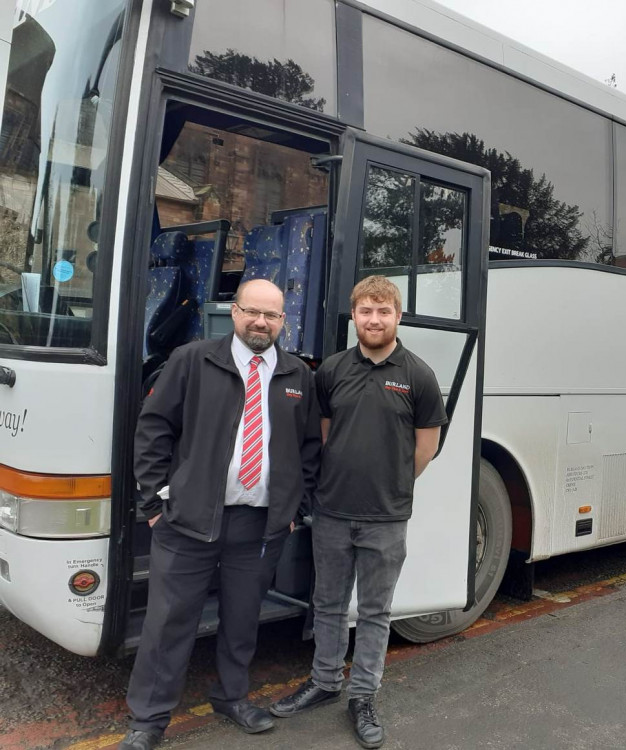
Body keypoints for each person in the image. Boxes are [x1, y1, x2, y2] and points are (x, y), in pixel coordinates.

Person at [119, 279, 322, 750]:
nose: (261, 322)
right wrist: (152, 502)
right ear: (234, 313)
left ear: (283, 322)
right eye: (253, 312)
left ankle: (231, 697)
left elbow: (309, 449)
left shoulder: (297, 375)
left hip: (259, 525)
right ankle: (148, 720)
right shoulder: (194, 359)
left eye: (271, 315)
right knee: (168, 623)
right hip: (187, 521)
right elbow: (153, 429)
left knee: (242, 619)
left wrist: (295, 508)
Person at [270, 275, 448, 749]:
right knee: (327, 604)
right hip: (331, 511)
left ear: (397, 316)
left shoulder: (418, 375)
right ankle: (325, 681)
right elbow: (326, 435)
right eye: (366, 311)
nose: (374, 319)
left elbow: (426, 447)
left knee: (374, 612)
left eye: (383, 311)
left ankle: (363, 695)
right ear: (354, 317)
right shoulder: (330, 371)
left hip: (386, 519)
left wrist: (388, 483)